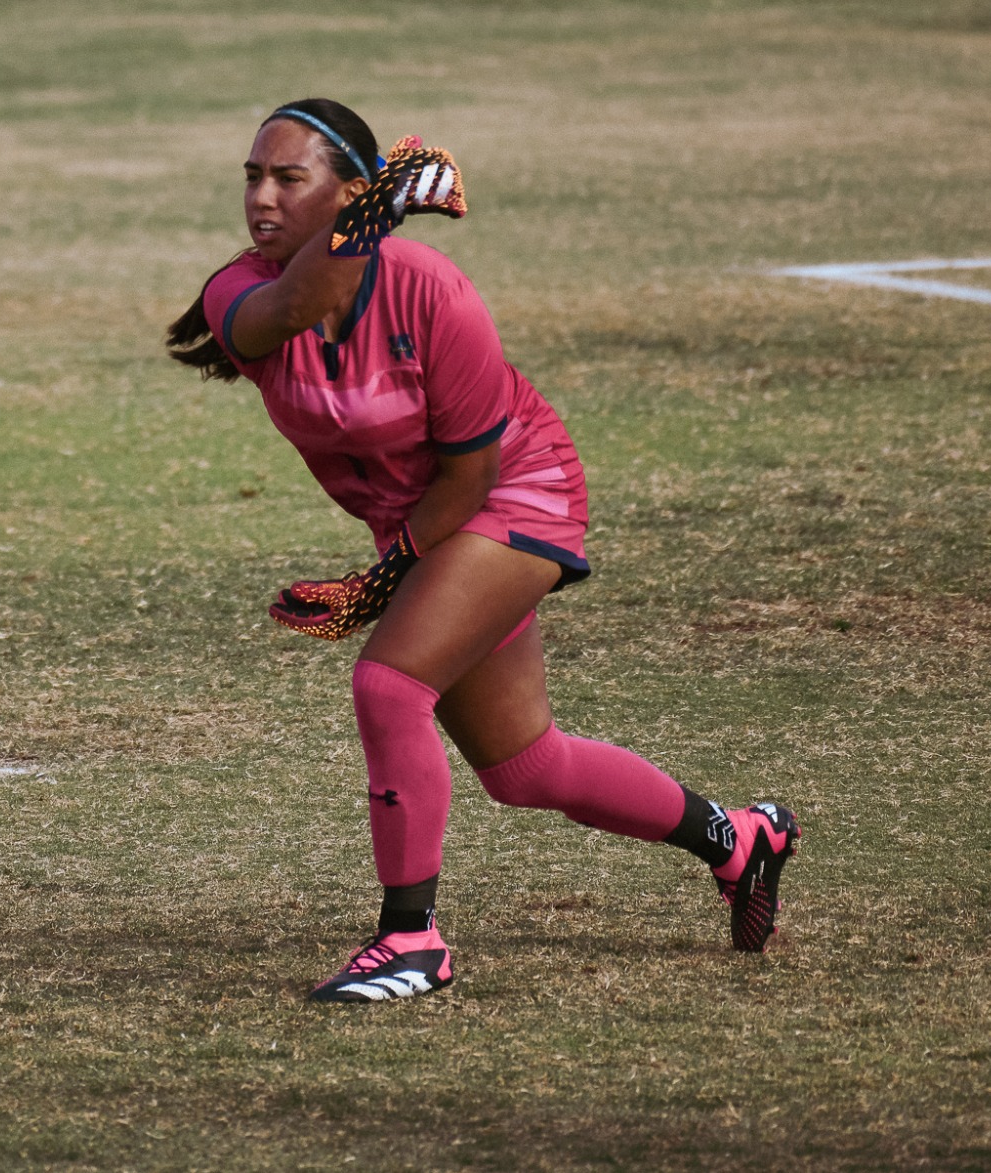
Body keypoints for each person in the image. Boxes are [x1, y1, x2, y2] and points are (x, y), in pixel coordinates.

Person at [166, 98, 797, 1003]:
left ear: (348, 193)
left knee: (389, 686)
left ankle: (410, 940)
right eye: (253, 177)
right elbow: (297, 303)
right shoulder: (239, 290)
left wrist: (380, 583)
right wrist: (378, 207)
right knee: (525, 766)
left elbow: (470, 477)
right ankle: (738, 839)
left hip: (513, 492)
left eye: (289, 178)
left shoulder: (434, 291)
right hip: (422, 523)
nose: (261, 197)